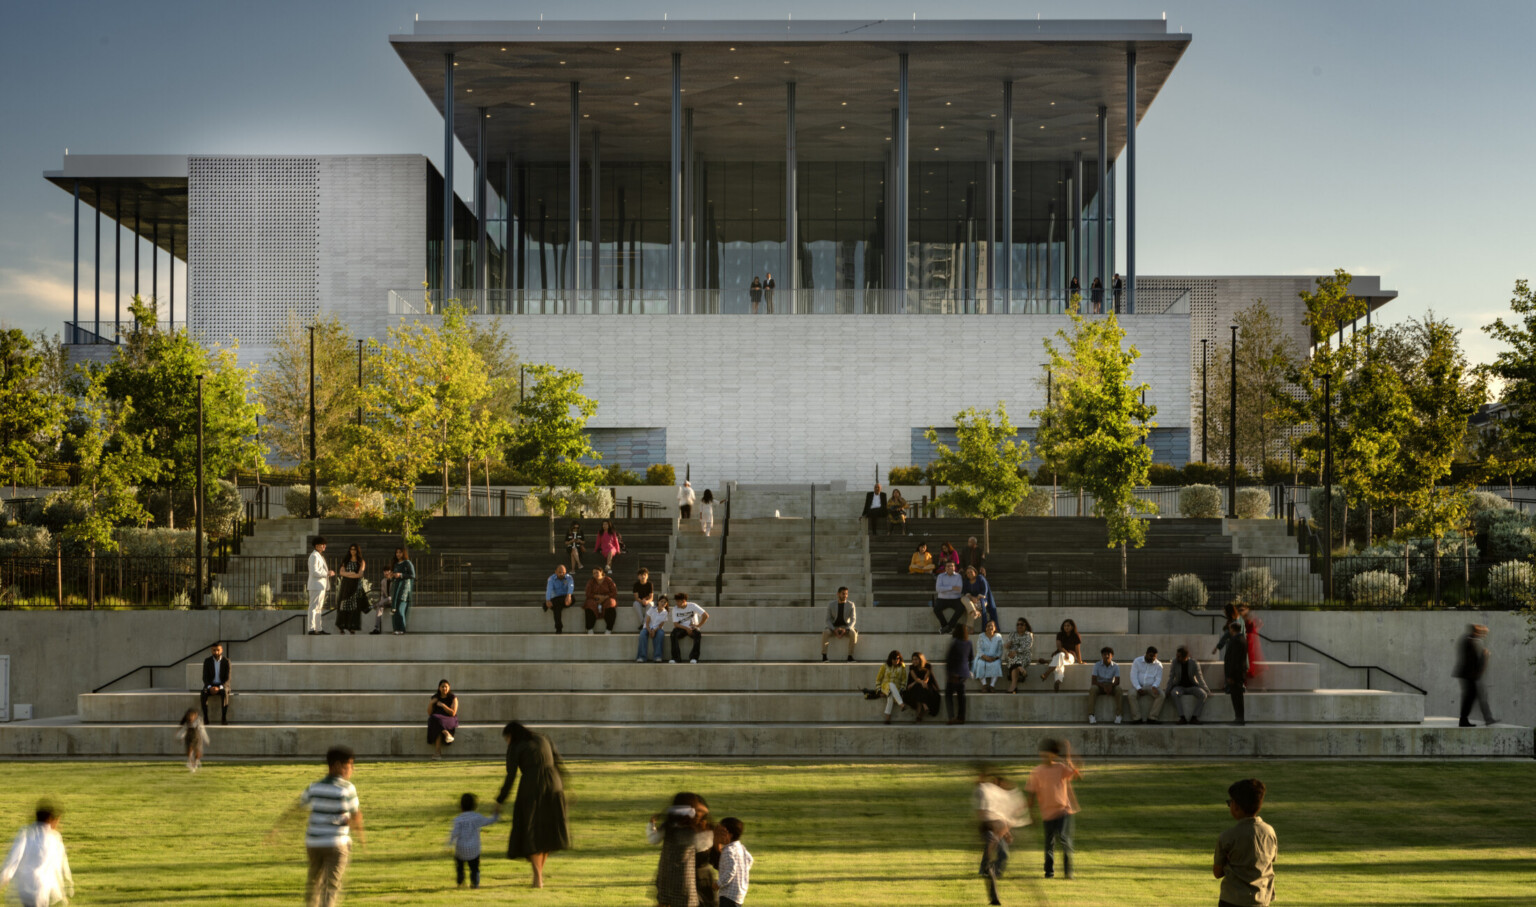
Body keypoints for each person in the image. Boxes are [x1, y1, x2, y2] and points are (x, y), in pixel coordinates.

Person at [267, 745, 364, 907]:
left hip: (313, 843)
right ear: (338, 765)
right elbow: (356, 816)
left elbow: (296, 809)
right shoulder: (347, 788)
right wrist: (360, 835)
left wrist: (277, 829)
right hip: (336, 844)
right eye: (350, 765)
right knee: (330, 887)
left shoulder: (314, 787)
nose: (352, 769)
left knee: (314, 884)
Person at [495, 722, 571, 889]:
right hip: (554, 784)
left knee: (531, 831)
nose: (507, 742)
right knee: (547, 832)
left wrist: (500, 799)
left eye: (507, 739)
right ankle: (538, 877)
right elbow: (558, 762)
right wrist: (565, 787)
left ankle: (538, 878)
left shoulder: (516, 746)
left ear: (511, 736)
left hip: (532, 787)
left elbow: (511, 775)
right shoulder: (544, 738)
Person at [1214, 778, 1278, 907]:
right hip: (1261, 898)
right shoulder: (1269, 832)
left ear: (1236, 806)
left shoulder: (1228, 836)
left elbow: (1217, 872)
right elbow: (1270, 860)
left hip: (1232, 899)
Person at [1024, 738, 1080, 880]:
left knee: (1064, 839)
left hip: (1063, 811)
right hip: (1047, 814)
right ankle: (1049, 872)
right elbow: (1031, 795)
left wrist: (1069, 759)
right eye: (1042, 754)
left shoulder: (1061, 768)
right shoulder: (1036, 772)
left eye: (1047, 754)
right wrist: (1031, 814)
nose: (1044, 757)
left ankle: (1068, 872)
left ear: (1054, 755)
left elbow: (1078, 776)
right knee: (1049, 843)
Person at [649, 792, 715, 907]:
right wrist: (703, 829)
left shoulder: (668, 825)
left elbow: (654, 839)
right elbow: (704, 846)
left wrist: (651, 825)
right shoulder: (690, 830)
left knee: (664, 902)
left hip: (665, 874)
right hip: (684, 876)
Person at [0, 802, 72, 907]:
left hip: (24, 888)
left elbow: (13, 860)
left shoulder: (26, 833)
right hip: (40, 889)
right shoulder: (54, 838)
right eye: (57, 820)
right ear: (51, 819)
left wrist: (4, 878)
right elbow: (58, 866)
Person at [975, 773, 1028, 906]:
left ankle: (989, 871)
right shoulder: (989, 795)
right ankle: (989, 872)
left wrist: (1006, 833)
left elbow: (1004, 819)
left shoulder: (1001, 798)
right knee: (998, 852)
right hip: (990, 829)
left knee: (1001, 853)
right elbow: (986, 814)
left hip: (998, 831)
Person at [447, 793, 500, 890]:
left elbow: (454, 833)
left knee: (459, 866)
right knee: (475, 868)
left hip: (460, 850)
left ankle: (460, 880)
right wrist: (496, 814)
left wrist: (449, 844)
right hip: (474, 850)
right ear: (474, 806)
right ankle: (475, 883)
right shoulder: (477, 817)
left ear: (461, 806)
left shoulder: (458, 819)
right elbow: (490, 821)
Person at [1454, 624, 1497, 727]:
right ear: (1476, 631)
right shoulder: (1470, 641)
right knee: (1472, 697)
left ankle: (1485, 718)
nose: (1483, 635)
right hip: (1470, 675)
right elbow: (1473, 660)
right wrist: (1484, 656)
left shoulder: (1468, 639)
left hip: (1470, 674)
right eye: (1482, 632)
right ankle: (1484, 718)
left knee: (1474, 697)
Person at [1165, 645, 1210, 725]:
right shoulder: (1175, 662)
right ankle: (1182, 717)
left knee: (1203, 694)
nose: (1177, 658)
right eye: (1176, 655)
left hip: (1192, 686)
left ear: (1185, 657)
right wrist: (1167, 690)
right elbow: (1171, 677)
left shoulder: (1194, 663)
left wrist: (1207, 690)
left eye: (1179, 656)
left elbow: (1200, 678)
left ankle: (1194, 717)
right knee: (1174, 693)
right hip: (1179, 686)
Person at [716, 817, 753, 907]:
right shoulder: (740, 847)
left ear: (729, 834)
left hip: (727, 895)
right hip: (739, 894)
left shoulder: (728, 851)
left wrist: (718, 884)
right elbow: (750, 859)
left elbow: (730, 871)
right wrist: (742, 872)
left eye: (721, 832)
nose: (718, 835)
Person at [1127, 646, 1166, 724]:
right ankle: (1137, 718)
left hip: (1151, 687)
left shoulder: (1158, 665)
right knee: (1131, 694)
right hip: (1138, 685)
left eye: (1154, 657)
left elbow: (1158, 678)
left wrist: (1154, 686)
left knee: (1161, 695)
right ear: (1146, 654)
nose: (1153, 658)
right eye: (1151, 656)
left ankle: (1152, 718)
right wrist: (1138, 688)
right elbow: (1133, 676)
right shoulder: (1137, 661)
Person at [1086, 647, 1123, 725]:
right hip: (1100, 686)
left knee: (1119, 689)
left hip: (1111, 685)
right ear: (1102, 655)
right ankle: (1091, 715)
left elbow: (1117, 681)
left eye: (1108, 654)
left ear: (1112, 656)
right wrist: (1104, 686)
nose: (1106, 656)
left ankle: (1118, 715)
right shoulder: (1097, 665)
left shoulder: (1116, 666)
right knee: (1093, 689)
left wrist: (1110, 686)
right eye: (1104, 654)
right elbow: (1093, 681)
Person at [306, 536, 334, 636]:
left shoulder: (319, 556)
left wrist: (326, 573)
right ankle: (311, 629)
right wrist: (327, 573)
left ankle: (318, 628)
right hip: (316, 586)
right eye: (323, 544)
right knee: (314, 608)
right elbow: (314, 572)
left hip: (320, 586)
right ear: (317, 546)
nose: (324, 546)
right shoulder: (314, 556)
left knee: (318, 608)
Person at [1223, 621, 1250, 726]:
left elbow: (1233, 659)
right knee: (1238, 696)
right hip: (1239, 673)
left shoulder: (1235, 641)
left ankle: (1239, 718)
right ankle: (1239, 717)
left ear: (1233, 629)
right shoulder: (1242, 639)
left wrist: (1230, 675)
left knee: (1236, 697)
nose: (1229, 630)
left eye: (1230, 628)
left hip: (1235, 674)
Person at [944, 625, 973, 725]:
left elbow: (949, 659)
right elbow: (971, 658)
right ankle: (961, 718)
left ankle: (951, 717)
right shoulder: (969, 643)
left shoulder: (955, 642)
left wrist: (950, 673)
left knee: (948, 695)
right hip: (964, 673)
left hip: (954, 674)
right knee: (961, 696)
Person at [821, 586, 858, 662]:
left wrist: (846, 629)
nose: (845, 596)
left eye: (846, 594)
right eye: (843, 594)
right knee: (825, 632)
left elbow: (853, 620)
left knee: (853, 633)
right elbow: (828, 620)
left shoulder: (851, 604)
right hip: (834, 627)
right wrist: (834, 629)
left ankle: (850, 656)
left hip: (846, 627)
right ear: (838, 594)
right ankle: (824, 656)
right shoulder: (831, 605)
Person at [670, 592, 709, 664]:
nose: (677, 603)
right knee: (673, 634)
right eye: (676, 601)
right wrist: (686, 628)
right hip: (681, 628)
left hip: (692, 628)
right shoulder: (675, 609)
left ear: (684, 601)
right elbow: (676, 624)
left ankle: (694, 658)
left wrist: (698, 626)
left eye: (678, 601)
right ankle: (676, 658)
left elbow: (706, 615)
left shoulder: (693, 606)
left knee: (698, 634)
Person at [335, 545, 366, 635]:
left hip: (355, 585)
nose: (353, 551)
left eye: (354, 549)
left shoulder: (361, 561)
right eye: (351, 549)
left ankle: (352, 627)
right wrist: (352, 573)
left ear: (357, 551)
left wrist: (348, 574)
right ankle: (341, 626)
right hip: (346, 585)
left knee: (354, 606)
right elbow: (341, 572)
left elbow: (360, 574)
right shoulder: (345, 561)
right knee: (343, 605)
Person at [384, 548, 415, 635]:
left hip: (404, 589)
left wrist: (401, 575)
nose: (398, 554)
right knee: (395, 610)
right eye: (397, 552)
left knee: (400, 610)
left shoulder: (407, 563)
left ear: (403, 553)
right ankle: (396, 629)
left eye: (400, 552)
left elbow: (412, 575)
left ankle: (402, 629)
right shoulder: (395, 564)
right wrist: (391, 576)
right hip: (395, 589)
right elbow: (394, 577)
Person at [904, 652, 941, 722]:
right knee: (918, 687)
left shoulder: (927, 666)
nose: (914, 661)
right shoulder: (912, 667)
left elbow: (926, 679)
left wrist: (921, 682)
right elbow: (915, 678)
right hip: (914, 687)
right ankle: (924, 705)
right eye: (913, 659)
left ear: (920, 660)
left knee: (919, 689)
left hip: (926, 687)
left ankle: (918, 715)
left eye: (916, 659)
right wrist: (918, 682)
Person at [202, 641, 232, 725]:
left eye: (218, 650)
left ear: (221, 650)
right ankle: (205, 718)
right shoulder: (207, 661)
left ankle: (223, 718)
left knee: (225, 692)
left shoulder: (226, 661)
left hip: (222, 685)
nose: (216, 652)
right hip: (211, 685)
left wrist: (219, 687)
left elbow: (228, 679)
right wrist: (210, 687)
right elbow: (205, 677)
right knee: (203, 692)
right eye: (214, 650)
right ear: (211, 650)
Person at [428, 679, 458, 759]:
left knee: (436, 722)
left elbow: (453, 713)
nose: (444, 688)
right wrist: (431, 703)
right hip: (437, 719)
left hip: (449, 719)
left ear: (449, 687)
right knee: (434, 719)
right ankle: (446, 733)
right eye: (442, 686)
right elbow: (429, 713)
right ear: (439, 688)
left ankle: (437, 753)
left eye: (446, 686)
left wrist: (443, 705)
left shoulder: (453, 698)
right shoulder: (435, 697)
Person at [874, 650, 907, 724]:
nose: (896, 660)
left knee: (891, 695)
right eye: (894, 659)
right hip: (885, 687)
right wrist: (878, 690)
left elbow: (904, 680)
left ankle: (887, 718)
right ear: (890, 659)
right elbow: (878, 679)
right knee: (891, 685)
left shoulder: (902, 667)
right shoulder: (885, 666)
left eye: (898, 658)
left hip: (896, 688)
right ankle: (901, 704)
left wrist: (902, 689)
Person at [584, 567, 619, 635]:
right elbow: (588, 593)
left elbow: (614, 592)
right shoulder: (591, 581)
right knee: (589, 604)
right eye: (594, 573)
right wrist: (597, 596)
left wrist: (604, 597)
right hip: (594, 599)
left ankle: (609, 629)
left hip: (607, 598)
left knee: (611, 603)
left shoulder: (608, 580)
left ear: (601, 572)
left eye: (597, 572)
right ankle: (590, 629)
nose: (596, 574)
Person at [1004, 618, 1035, 694]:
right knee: (1012, 658)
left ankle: (1013, 686)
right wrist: (1007, 645)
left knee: (1014, 663)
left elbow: (1027, 646)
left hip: (1024, 656)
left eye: (1021, 624)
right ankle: (1021, 669)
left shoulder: (1028, 635)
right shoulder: (1012, 634)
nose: (1019, 626)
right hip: (1011, 655)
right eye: (1018, 624)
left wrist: (1016, 651)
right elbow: (1006, 645)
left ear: (1025, 626)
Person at [961, 566, 998, 630]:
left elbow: (985, 591)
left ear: (975, 572)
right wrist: (972, 598)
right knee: (963, 599)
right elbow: (965, 592)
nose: (969, 574)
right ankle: (975, 612)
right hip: (971, 601)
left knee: (970, 608)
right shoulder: (966, 581)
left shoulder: (980, 578)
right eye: (968, 573)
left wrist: (977, 598)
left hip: (981, 600)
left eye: (971, 572)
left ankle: (970, 628)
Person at [973, 621, 1005, 693]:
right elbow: (979, 649)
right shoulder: (981, 636)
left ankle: (992, 685)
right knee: (980, 664)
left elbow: (1000, 650)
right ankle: (984, 685)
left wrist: (995, 658)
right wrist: (985, 657)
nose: (990, 627)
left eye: (992, 626)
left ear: (995, 628)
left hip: (994, 658)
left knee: (996, 664)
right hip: (983, 657)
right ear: (985, 628)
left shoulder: (998, 637)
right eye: (988, 626)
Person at [544, 564, 576, 634]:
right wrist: (548, 600)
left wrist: (569, 596)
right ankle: (559, 628)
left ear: (566, 572)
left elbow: (571, 587)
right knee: (557, 607)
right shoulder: (551, 579)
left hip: (565, 598)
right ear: (555, 572)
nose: (561, 574)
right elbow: (549, 589)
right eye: (559, 572)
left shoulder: (569, 577)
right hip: (556, 598)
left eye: (563, 572)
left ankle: (545, 605)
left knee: (572, 598)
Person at [933, 562, 965, 632]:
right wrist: (952, 588)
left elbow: (959, 590)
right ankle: (945, 626)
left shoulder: (958, 576)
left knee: (961, 608)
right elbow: (938, 589)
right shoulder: (940, 576)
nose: (949, 567)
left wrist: (944, 589)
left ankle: (950, 626)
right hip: (942, 599)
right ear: (945, 568)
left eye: (951, 566)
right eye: (948, 566)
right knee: (936, 609)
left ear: (954, 567)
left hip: (955, 599)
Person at [639, 594, 670, 663]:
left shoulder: (665, 613)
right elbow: (647, 622)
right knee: (642, 634)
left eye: (665, 602)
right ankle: (642, 657)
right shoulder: (652, 609)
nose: (663, 603)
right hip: (647, 627)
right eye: (661, 601)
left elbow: (660, 625)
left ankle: (657, 657)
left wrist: (654, 631)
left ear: (666, 604)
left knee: (660, 634)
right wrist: (649, 630)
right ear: (658, 602)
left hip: (658, 629)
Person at [177, 708, 209, 773]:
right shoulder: (187, 723)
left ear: (195, 716)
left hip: (197, 739)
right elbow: (183, 730)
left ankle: (196, 762)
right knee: (189, 752)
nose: (190, 717)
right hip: (189, 739)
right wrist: (180, 737)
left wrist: (206, 739)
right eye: (189, 716)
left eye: (192, 716)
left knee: (197, 753)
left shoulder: (199, 722)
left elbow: (203, 731)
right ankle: (191, 765)